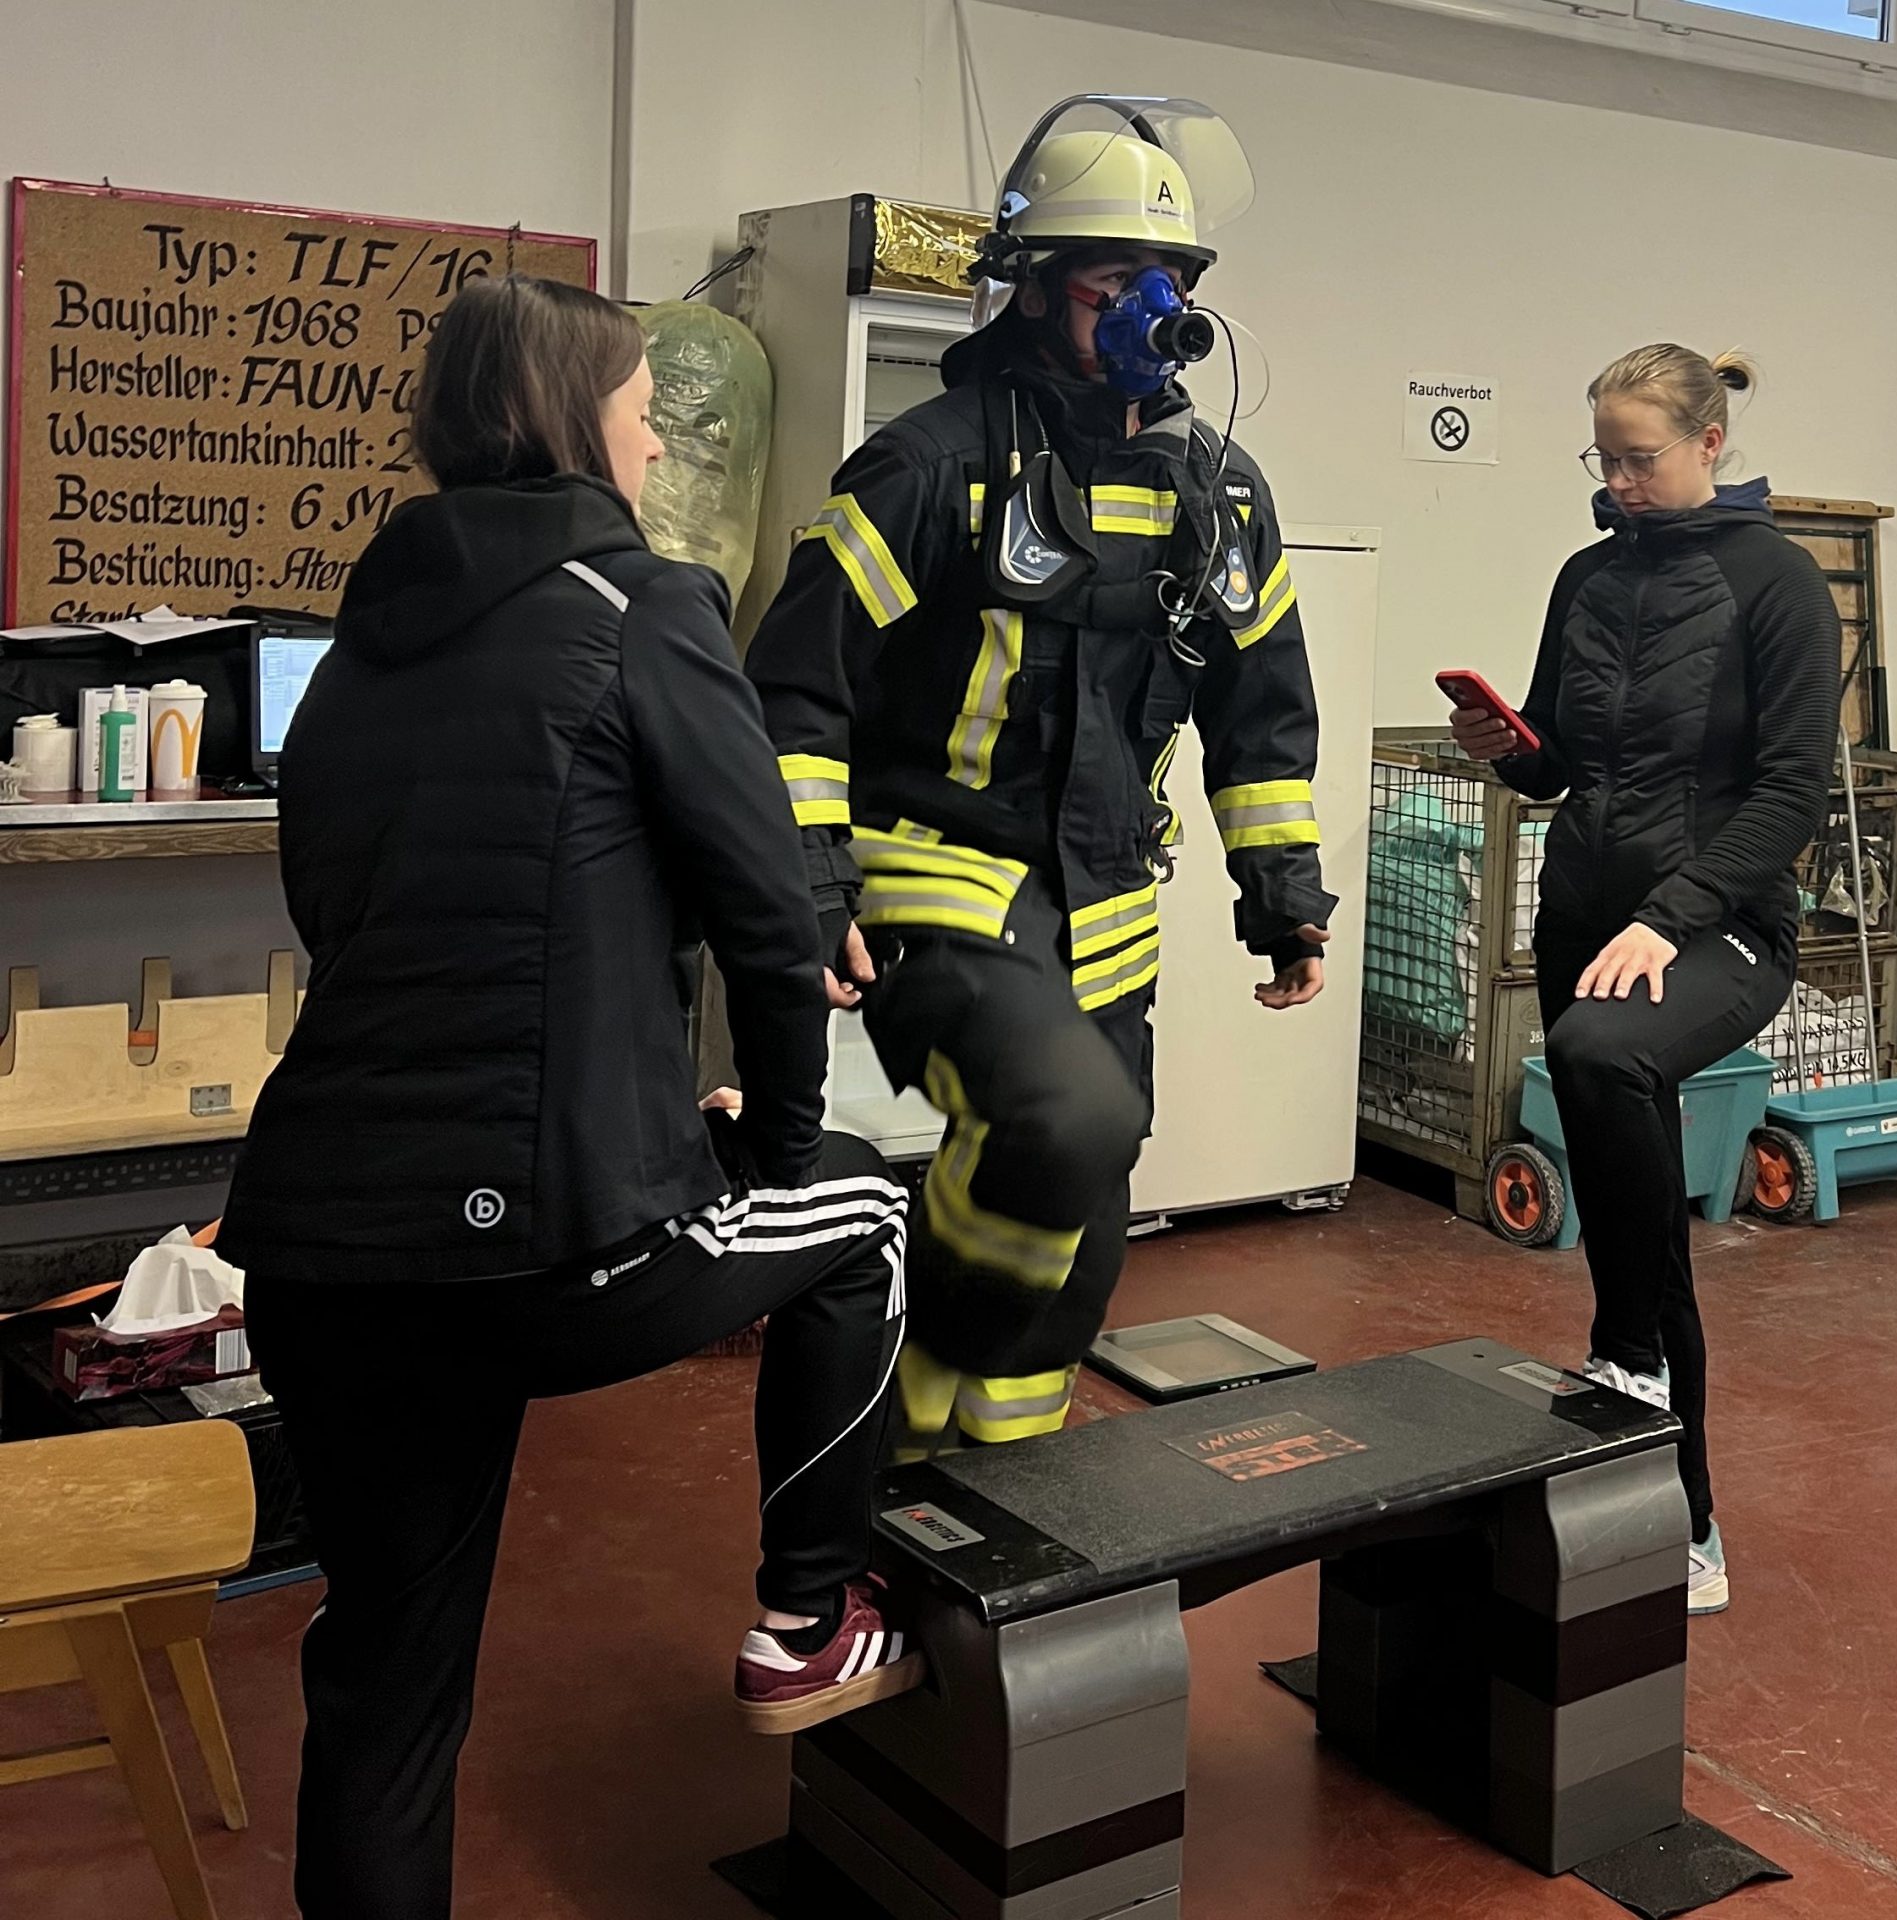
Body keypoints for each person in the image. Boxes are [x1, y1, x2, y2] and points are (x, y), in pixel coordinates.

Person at [219, 274, 915, 1920]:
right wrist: (771, 1153)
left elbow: (353, 917)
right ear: (570, 420)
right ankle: (810, 1618)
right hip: (534, 1242)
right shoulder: (642, 604)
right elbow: (774, 922)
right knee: (870, 1218)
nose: (660, 438)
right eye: (640, 408)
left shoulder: (359, 647)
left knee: (387, 1681)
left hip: (319, 1246)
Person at [747, 96, 1333, 1457]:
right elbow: (791, 689)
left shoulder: (1221, 491)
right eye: (1113, 281)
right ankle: (902, 1388)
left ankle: (1001, 1479)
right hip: (936, 880)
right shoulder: (932, 464)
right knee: (1068, 1122)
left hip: (1108, 903)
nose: (1150, 310)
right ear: (1031, 286)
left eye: (1167, 280)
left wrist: (1284, 896)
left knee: (1086, 1216)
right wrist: (810, 882)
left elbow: (1263, 712)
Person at [1451, 343, 1840, 1617]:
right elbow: (1560, 761)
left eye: (1640, 459)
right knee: (1631, 1203)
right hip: (1589, 914)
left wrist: (1675, 916)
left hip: (1720, 926)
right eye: (1603, 459)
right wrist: (1503, 745)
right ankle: (1672, 1490)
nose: (1617, 482)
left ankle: (1633, 1375)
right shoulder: (1587, 577)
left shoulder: (1778, 583)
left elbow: (1790, 791)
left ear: (1709, 444)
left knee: (1602, 1054)